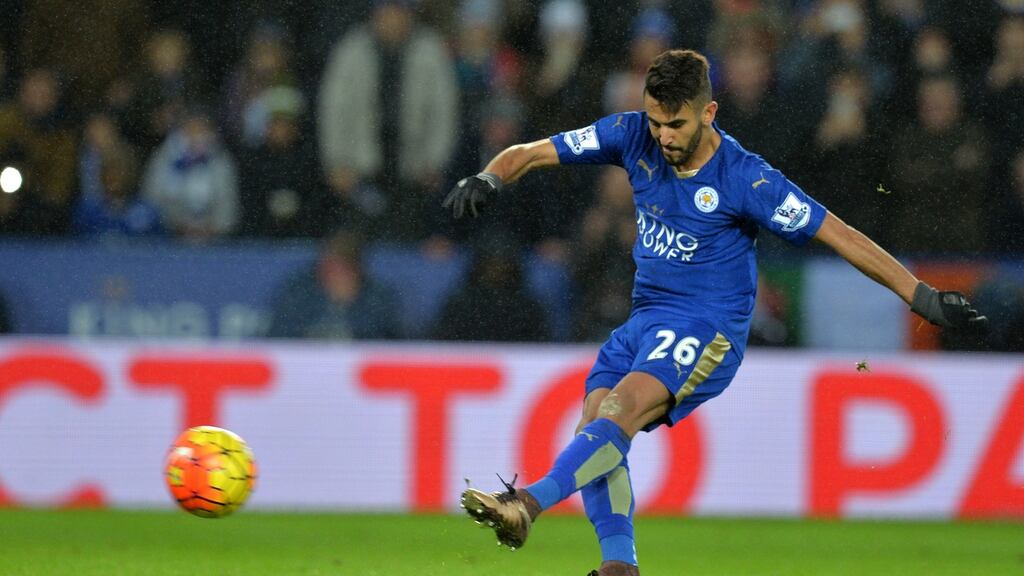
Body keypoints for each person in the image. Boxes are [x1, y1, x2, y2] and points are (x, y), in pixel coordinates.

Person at [443, 49, 986, 576]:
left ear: (709, 112)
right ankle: (619, 566)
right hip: (644, 320)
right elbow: (533, 151)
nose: (663, 137)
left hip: (706, 328)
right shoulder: (630, 133)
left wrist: (921, 296)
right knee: (596, 427)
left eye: (676, 124)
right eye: (656, 122)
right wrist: (490, 176)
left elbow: (839, 234)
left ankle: (526, 505)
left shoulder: (747, 178)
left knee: (617, 411)